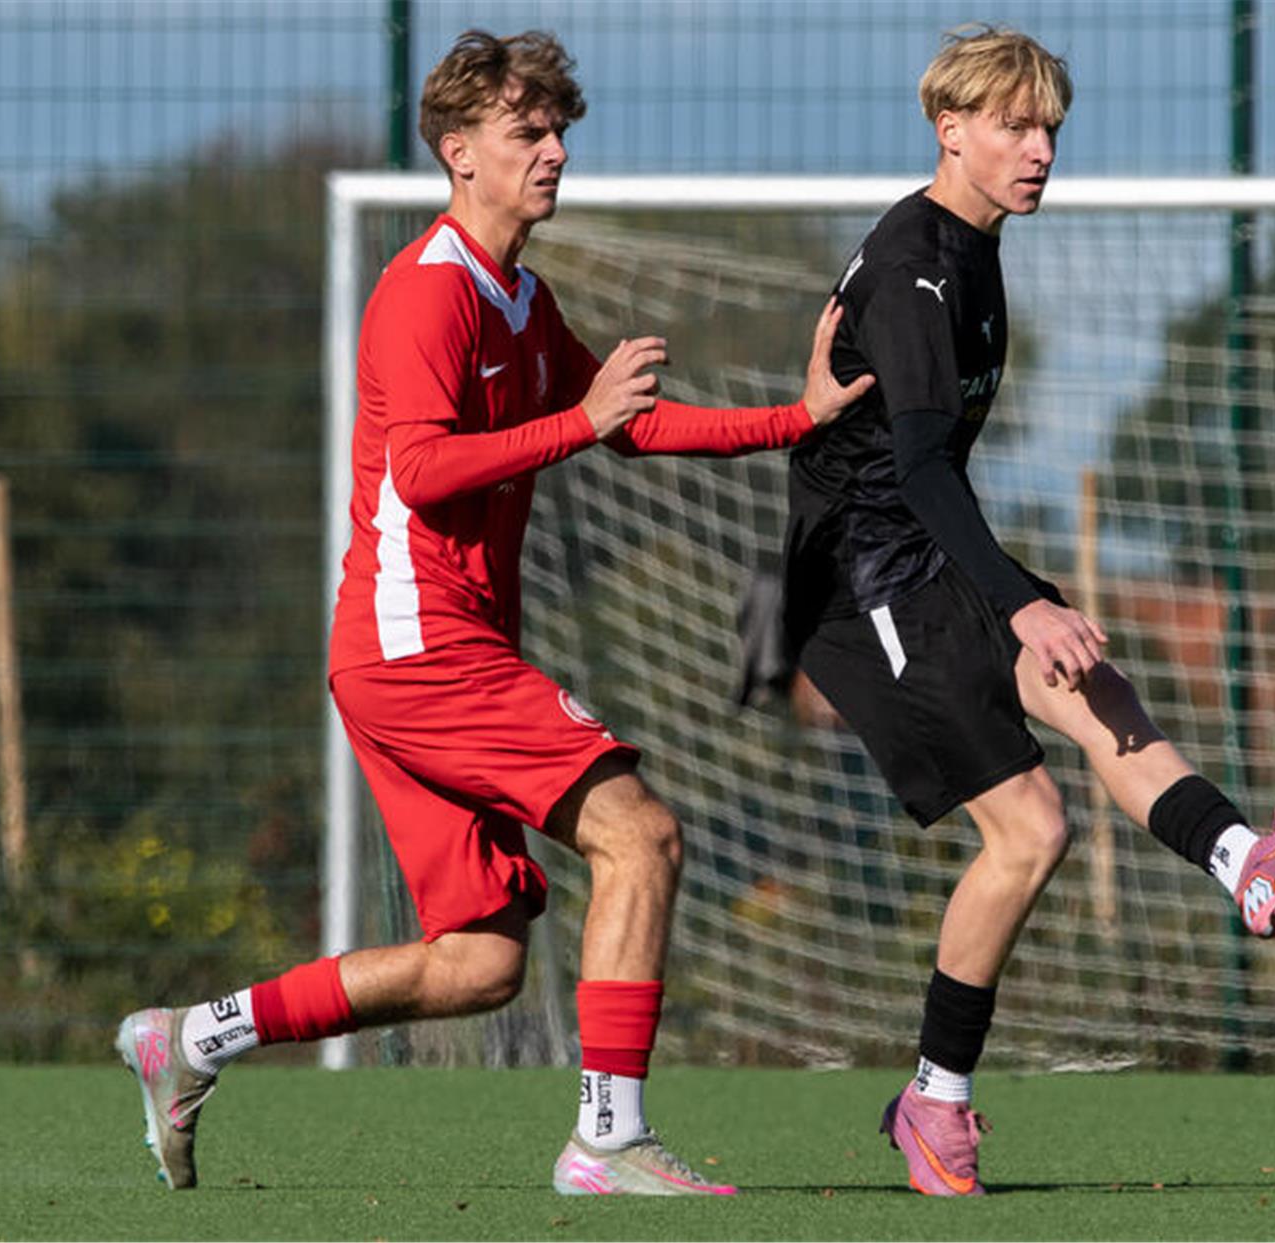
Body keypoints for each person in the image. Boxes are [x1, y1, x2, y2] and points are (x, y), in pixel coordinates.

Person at [114, 29, 872, 1198]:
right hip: (421, 650)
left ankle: (190, 1038)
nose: (557, 151)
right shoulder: (427, 295)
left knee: (476, 965)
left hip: (413, 655)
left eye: (560, 129)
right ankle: (608, 1140)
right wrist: (582, 420)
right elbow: (422, 471)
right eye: (530, 133)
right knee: (643, 834)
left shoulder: (521, 294)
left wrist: (800, 416)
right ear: (459, 153)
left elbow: (634, 422)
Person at [780, 25, 1275, 1197]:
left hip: (922, 554)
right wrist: (1020, 601)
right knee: (1033, 828)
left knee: (1098, 689)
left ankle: (1249, 862)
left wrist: (1017, 600)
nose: (1040, 149)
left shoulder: (970, 245)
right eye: (1013, 125)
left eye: (1050, 127)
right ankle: (932, 1108)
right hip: (862, 585)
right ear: (950, 129)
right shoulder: (918, 268)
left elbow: (907, 442)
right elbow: (921, 467)